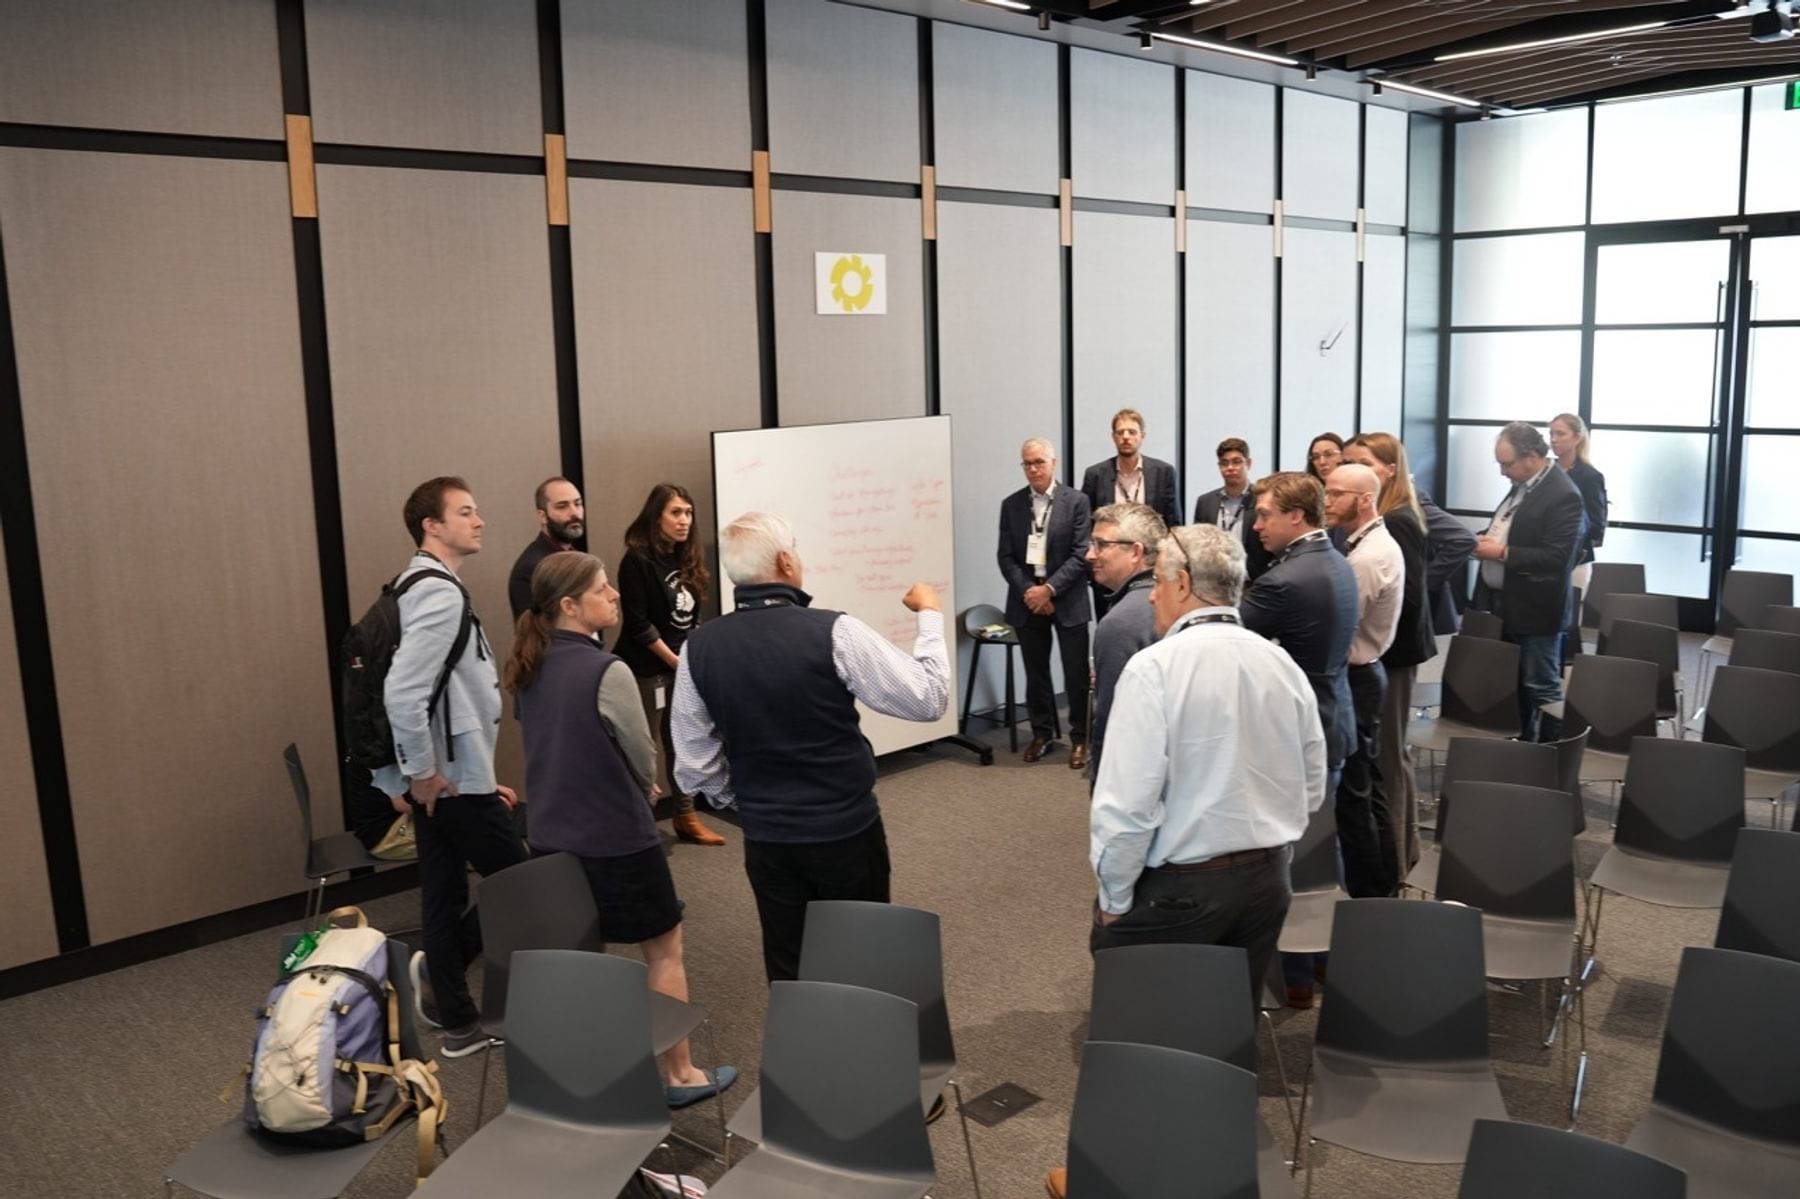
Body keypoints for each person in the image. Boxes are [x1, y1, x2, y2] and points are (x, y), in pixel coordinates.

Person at [671, 512, 949, 983]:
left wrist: (747, 802)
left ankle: (799, 1034)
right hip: (845, 831)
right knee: (863, 962)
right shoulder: (835, 631)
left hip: (767, 838)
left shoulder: (698, 648)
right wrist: (930, 615)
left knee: (789, 967)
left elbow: (694, 762)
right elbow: (928, 699)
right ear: (785, 561)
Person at [505, 551, 736, 1107]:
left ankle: (587, 1086)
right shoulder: (607, 671)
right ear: (570, 605)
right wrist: (649, 789)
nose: (613, 596)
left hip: (549, 838)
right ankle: (681, 1076)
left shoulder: (528, 667)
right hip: (615, 837)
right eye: (602, 589)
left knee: (583, 963)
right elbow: (642, 754)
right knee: (664, 949)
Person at [1088, 522, 1325, 982]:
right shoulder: (1282, 664)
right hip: (1269, 881)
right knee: (1233, 1013)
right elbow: (1311, 782)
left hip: (1182, 889)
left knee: (1146, 1015)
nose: (1152, 596)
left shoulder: (1153, 669)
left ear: (1182, 584)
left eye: (1157, 581)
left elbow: (1127, 808)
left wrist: (1114, 899)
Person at [376, 477, 528, 1059]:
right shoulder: (437, 594)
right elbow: (403, 693)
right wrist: (423, 773)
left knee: (442, 894)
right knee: (525, 888)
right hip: (449, 780)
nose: (479, 520)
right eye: (465, 512)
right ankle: (463, 996)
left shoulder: (416, 584)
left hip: (450, 776)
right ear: (431, 526)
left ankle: (455, 1017)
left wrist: (443, 775)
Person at [1342, 433, 1438, 873]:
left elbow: (1410, 596)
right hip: (1390, 652)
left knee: (1389, 757)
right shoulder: (1390, 516)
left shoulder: (1396, 521)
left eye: (1363, 463)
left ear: (1389, 470)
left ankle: (1396, 856)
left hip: (1393, 655)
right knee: (1392, 754)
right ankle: (1403, 848)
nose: (1353, 469)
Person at [616, 482, 725, 847]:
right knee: (643, 749)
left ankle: (686, 815)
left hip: (680, 665)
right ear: (656, 516)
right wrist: (675, 660)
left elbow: (691, 617)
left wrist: (692, 655)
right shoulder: (637, 560)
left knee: (682, 742)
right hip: (646, 670)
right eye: (676, 512)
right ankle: (638, 825)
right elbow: (638, 624)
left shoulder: (684, 556)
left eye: (688, 513)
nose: (684, 520)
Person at [1241, 473, 1358, 787]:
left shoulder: (1283, 580)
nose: (1256, 526)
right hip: (1335, 715)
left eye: (1265, 515)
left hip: (1299, 732)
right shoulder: (1339, 561)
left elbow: (1233, 642)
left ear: (1295, 515)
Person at [1473, 422, 1586, 742]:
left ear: (1533, 457)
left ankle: (1553, 756)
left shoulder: (1563, 494)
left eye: (1507, 464)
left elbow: (1558, 558)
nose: (1502, 472)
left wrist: (1502, 552)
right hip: (1506, 603)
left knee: (1542, 688)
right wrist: (1486, 539)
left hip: (1537, 610)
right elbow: (1516, 528)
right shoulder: (1524, 484)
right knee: (1512, 685)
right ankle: (1521, 748)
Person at [1321, 463, 1403, 900]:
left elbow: (1340, 627)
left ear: (1365, 499)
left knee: (1356, 795)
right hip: (1365, 672)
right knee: (1366, 787)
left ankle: (1371, 893)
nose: (1327, 500)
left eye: (1336, 494)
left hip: (1358, 676)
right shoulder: (1365, 545)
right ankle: (1382, 883)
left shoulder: (1369, 557)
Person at [999, 438, 1094, 768]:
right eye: (1027, 463)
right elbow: (1006, 557)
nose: (1033, 469)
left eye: (1039, 462)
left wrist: (1050, 590)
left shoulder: (1077, 501)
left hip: (1067, 599)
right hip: (1028, 601)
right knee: (1036, 673)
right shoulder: (1011, 505)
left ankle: (1081, 738)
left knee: (1075, 673)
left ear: (1053, 463)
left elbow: (1081, 554)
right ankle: (1042, 734)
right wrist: (1031, 591)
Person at [1083, 502, 1166, 779]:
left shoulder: (1120, 623)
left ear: (1136, 552)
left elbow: (1111, 720)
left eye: (1101, 545)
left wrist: (1099, 781)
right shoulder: (1172, 599)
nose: (1089, 555)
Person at [1080, 410, 1179, 619]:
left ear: (1142, 436)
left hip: (1150, 567)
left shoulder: (1163, 472)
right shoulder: (1095, 474)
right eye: (1120, 432)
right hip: (1109, 565)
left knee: (1151, 622)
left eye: (1132, 432)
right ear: (1113, 437)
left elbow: (1174, 524)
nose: (1126, 437)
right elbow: (1087, 525)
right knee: (1109, 623)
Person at [1550, 412, 1608, 662]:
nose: (1553, 439)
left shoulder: (1589, 476)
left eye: (1560, 434)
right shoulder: (1547, 471)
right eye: (1551, 433)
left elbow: (1596, 525)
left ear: (1576, 437)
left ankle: (1567, 673)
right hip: (1546, 556)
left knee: (1568, 623)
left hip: (1576, 559)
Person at [1193, 437, 1273, 580]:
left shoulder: (1263, 499)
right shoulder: (1205, 502)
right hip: (1215, 581)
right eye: (1224, 463)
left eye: (1237, 462)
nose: (1230, 468)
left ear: (1248, 463)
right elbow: (1198, 545)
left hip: (1253, 581)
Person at [507, 476, 585, 621]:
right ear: (542, 516)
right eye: (562, 506)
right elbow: (533, 629)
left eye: (578, 504)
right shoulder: (533, 566)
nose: (574, 512)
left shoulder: (574, 555)